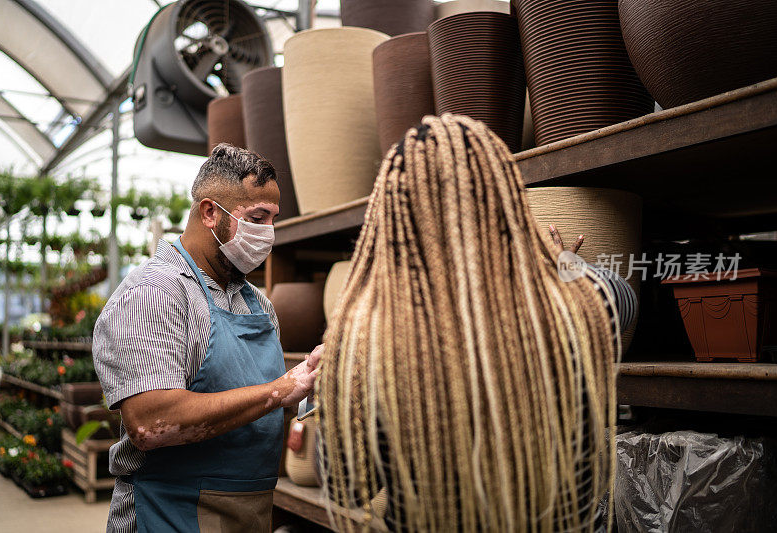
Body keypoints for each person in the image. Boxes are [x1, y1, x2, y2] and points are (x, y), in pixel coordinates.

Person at [318, 115, 635, 532]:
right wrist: (558, 264)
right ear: (504, 196)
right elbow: (624, 296)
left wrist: (334, 386)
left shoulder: (370, 347)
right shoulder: (583, 306)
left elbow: (344, 487)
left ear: (396, 214)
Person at [93, 144, 322, 533]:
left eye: (272, 219)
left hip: (250, 511)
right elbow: (150, 423)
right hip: (169, 512)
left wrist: (311, 387)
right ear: (210, 211)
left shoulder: (258, 307)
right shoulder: (155, 293)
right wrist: (280, 390)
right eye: (256, 217)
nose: (267, 233)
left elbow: (256, 408)